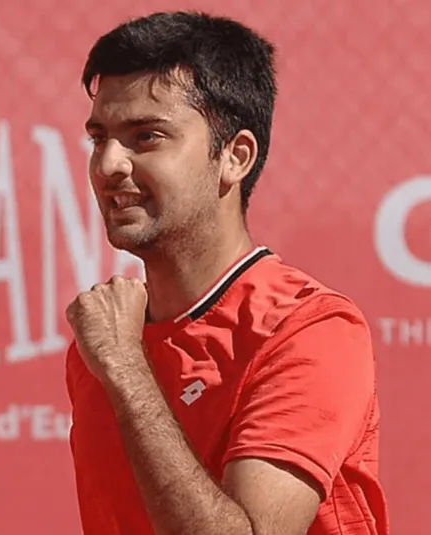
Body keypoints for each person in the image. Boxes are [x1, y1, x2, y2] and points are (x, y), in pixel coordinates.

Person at [64, 10, 390, 535]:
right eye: (99, 138)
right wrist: (120, 357)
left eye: (146, 137)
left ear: (236, 157)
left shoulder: (310, 328)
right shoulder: (110, 338)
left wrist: (124, 368)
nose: (108, 165)